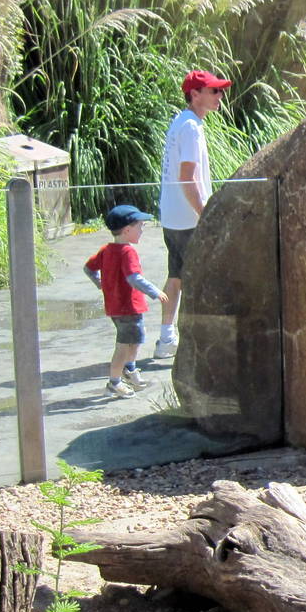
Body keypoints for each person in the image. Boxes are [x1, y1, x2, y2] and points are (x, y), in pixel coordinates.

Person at [156, 69, 227, 356]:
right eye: (213, 91)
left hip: (172, 215)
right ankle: (196, 342)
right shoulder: (191, 128)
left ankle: (166, 338)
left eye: (220, 90)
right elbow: (187, 178)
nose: (219, 95)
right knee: (199, 278)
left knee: (176, 277)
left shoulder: (181, 122)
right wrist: (204, 214)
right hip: (188, 219)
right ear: (195, 94)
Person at [84, 204, 169, 398]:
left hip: (115, 307)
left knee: (136, 338)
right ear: (127, 230)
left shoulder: (106, 250)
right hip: (128, 307)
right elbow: (134, 278)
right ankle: (114, 382)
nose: (142, 230)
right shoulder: (127, 252)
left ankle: (130, 370)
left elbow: (88, 268)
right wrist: (155, 291)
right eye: (140, 226)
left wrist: (100, 284)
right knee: (123, 345)